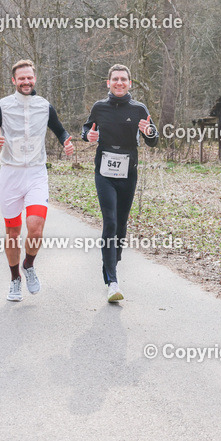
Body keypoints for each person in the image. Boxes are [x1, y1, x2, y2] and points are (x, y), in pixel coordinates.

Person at [0, 60, 74, 302]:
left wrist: (66, 141)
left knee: (35, 228)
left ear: (35, 78)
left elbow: (59, 129)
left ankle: (28, 265)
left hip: (36, 173)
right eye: (21, 78)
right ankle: (14, 279)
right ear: (14, 81)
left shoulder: (44, 106)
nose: (26, 82)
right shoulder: (3, 106)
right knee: (12, 232)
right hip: (11, 173)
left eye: (29, 77)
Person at [81, 64, 158, 303]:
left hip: (128, 173)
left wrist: (150, 132)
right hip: (104, 172)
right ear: (108, 83)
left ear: (130, 83)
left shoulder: (139, 109)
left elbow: (153, 140)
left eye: (123, 79)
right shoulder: (99, 107)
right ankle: (112, 281)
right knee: (110, 221)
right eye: (115, 79)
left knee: (121, 226)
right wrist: (87, 136)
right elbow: (87, 128)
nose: (119, 83)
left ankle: (112, 261)